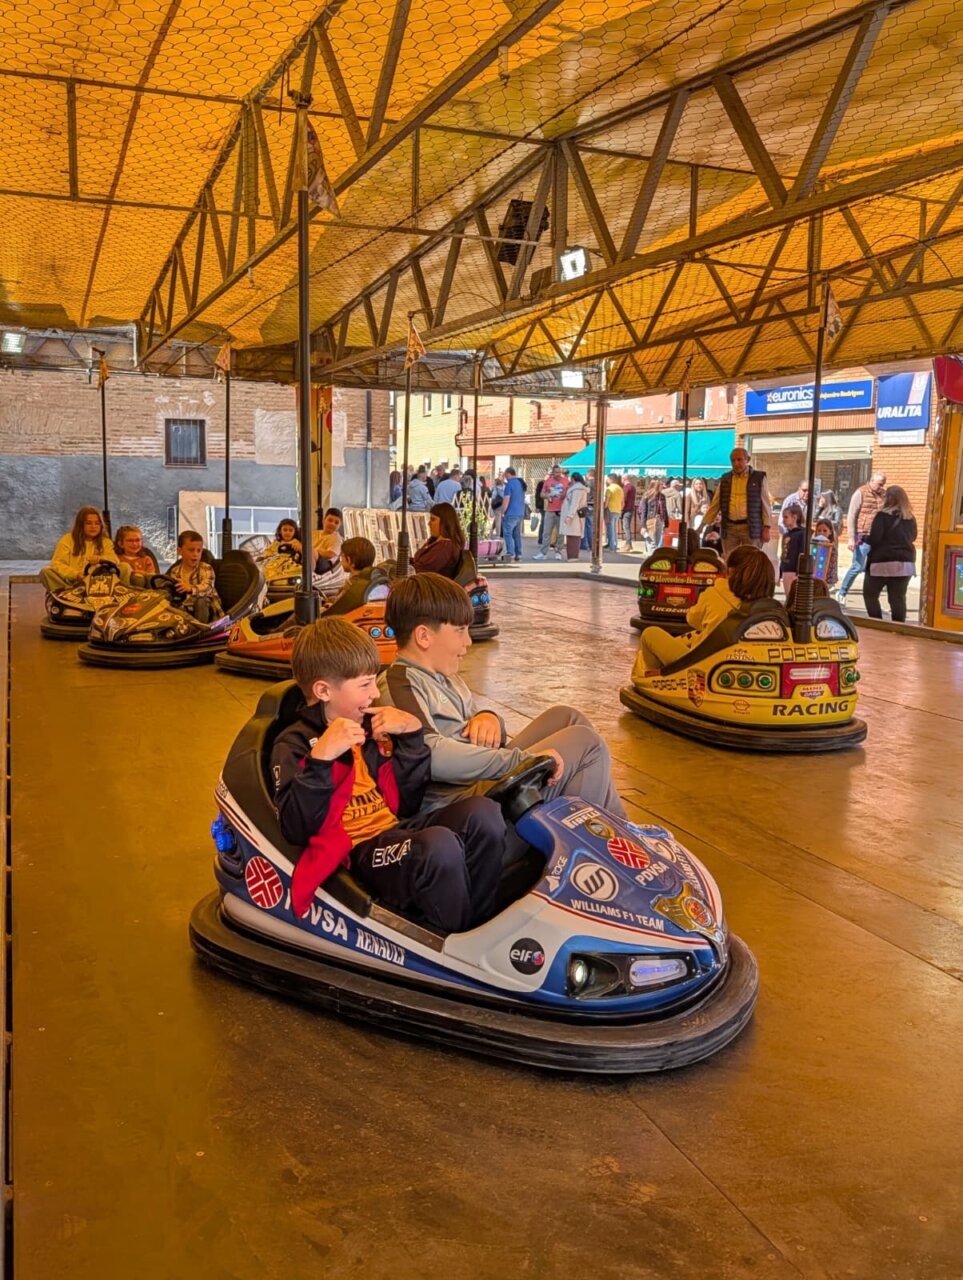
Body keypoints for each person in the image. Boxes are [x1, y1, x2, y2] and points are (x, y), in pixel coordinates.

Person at [272, 618, 505, 933]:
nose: (373, 694)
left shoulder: (372, 730)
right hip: (358, 852)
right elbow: (295, 827)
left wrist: (411, 737)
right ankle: (457, 946)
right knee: (438, 847)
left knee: (484, 813)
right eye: (365, 684)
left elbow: (406, 804)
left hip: (394, 831)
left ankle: (476, 926)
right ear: (324, 690)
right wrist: (321, 760)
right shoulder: (295, 743)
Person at [377, 574, 627, 825]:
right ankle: (608, 845)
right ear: (424, 636)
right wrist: (520, 760)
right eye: (460, 630)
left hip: (480, 785)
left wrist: (489, 718)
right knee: (586, 743)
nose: (468, 641)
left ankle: (621, 830)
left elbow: (472, 730)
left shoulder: (446, 677)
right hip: (458, 807)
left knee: (568, 718)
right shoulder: (399, 682)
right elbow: (430, 754)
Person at [633, 545, 775, 675]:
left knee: (650, 634)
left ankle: (653, 679)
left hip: (705, 665)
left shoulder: (715, 593)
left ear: (731, 571)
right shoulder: (771, 608)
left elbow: (692, 619)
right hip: (746, 666)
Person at [702, 447, 773, 554]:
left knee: (751, 560)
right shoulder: (725, 478)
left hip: (751, 528)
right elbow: (716, 504)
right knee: (729, 561)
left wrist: (766, 527)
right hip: (729, 528)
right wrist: (703, 525)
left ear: (747, 459)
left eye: (739, 459)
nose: (736, 463)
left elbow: (765, 504)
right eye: (733, 460)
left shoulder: (759, 477)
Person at [863, 485, 917, 623]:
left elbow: (875, 539)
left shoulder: (882, 516)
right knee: (898, 598)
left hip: (882, 562)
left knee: (870, 595)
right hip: (905, 563)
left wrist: (864, 538)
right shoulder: (910, 518)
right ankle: (898, 628)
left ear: (888, 499)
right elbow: (913, 537)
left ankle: (877, 623)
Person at [838, 472, 887, 604]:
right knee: (857, 566)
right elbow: (852, 515)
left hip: (877, 537)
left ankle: (871, 597)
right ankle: (842, 592)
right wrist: (851, 538)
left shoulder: (884, 494)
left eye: (883, 484)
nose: (881, 486)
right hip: (862, 535)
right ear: (871, 481)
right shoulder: (860, 493)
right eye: (879, 484)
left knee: (873, 568)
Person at [44, 507, 119, 588]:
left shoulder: (106, 542)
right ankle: (65, 595)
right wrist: (76, 574)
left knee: (124, 567)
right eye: (88, 523)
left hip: (99, 583)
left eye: (97, 523)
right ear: (80, 525)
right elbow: (56, 564)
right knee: (46, 571)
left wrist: (101, 559)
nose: (93, 526)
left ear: (101, 526)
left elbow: (114, 560)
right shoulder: (67, 539)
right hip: (71, 583)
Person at [167, 530, 223, 623]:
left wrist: (190, 588)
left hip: (208, 609)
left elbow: (207, 588)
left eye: (199, 550)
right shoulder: (175, 571)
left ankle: (200, 632)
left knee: (200, 601)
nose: (195, 554)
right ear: (179, 551)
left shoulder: (206, 568)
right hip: (186, 608)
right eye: (191, 550)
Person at [412, 502, 464, 578]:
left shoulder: (446, 547)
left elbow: (423, 570)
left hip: (428, 586)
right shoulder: (435, 541)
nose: (429, 523)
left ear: (445, 522)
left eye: (433, 520)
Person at [534, 466, 568, 560]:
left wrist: (564, 495)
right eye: (556, 472)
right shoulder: (548, 481)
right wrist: (548, 495)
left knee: (560, 532)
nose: (558, 474)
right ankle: (543, 553)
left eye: (559, 472)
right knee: (546, 532)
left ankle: (558, 552)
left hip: (561, 510)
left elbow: (570, 493)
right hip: (550, 509)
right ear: (553, 472)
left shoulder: (566, 481)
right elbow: (541, 494)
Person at [778, 504, 806, 598]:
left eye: (786, 517)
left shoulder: (802, 534)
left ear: (794, 517)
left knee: (795, 597)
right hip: (786, 569)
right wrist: (780, 571)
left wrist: (799, 572)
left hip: (794, 570)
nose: (783, 520)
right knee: (788, 596)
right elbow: (784, 554)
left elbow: (802, 553)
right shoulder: (786, 535)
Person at [560, 471, 588, 560]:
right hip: (575, 516)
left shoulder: (577, 490)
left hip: (574, 517)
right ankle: (572, 556)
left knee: (573, 536)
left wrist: (569, 516)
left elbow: (574, 503)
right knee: (573, 535)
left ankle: (573, 556)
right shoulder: (578, 489)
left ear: (573, 479)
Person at [500, 468, 527, 562]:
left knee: (507, 533)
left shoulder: (509, 485)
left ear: (508, 474)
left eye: (505, 475)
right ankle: (518, 553)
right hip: (520, 512)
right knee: (516, 534)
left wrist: (502, 512)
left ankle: (510, 553)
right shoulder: (520, 483)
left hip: (511, 513)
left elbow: (506, 500)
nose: (505, 477)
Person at [638, 478, 667, 549]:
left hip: (660, 520)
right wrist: (643, 526)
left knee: (657, 543)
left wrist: (666, 523)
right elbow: (643, 511)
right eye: (661, 485)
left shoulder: (662, 496)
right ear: (656, 486)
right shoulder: (647, 495)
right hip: (650, 520)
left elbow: (665, 510)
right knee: (651, 543)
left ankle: (653, 558)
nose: (663, 486)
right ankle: (651, 558)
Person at [812, 519, 839, 589]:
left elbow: (832, 564)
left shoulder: (831, 546)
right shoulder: (813, 545)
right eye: (819, 530)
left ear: (830, 532)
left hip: (827, 578)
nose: (821, 533)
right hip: (815, 576)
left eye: (825, 531)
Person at [604, 473, 622, 551]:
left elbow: (606, 501)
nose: (607, 481)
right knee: (614, 528)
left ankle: (612, 546)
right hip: (617, 510)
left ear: (611, 479)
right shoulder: (620, 488)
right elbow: (622, 501)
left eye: (608, 479)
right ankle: (614, 544)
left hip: (610, 510)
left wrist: (604, 507)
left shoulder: (609, 489)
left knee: (610, 528)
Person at [620, 474, 637, 551]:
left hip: (627, 509)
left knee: (626, 527)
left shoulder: (627, 487)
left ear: (624, 479)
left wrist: (621, 510)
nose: (621, 480)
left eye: (621, 479)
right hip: (630, 509)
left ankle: (628, 544)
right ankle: (627, 544)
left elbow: (624, 500)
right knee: (627, 527)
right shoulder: (632, 487)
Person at [580, 469, 596, 552]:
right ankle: (591, 544)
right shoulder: (598, 482)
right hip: (594, 506)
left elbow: (585, 495)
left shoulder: (587, 483)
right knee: (590, 526)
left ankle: (585, 544)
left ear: (589, 474)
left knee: (585, 526)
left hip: (587, 505)